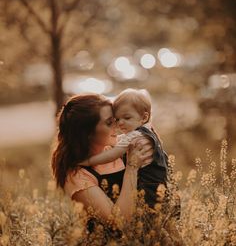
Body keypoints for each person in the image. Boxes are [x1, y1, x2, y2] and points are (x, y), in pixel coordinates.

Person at [51, 93, 154, 226]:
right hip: (112, 245)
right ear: (87, 133)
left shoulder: (119, 150)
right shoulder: (78, 174)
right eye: (110, 122)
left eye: (117, 118)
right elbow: (118, 223)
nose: (119, 125)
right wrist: (132, 168)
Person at [79, 89, 168, 209]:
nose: (120, 123)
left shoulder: (135, 135)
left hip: (148, 187)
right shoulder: (147, 131)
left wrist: (89, 161)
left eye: (126, 117)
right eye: (117, 119)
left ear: (144, 117)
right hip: (160, 185)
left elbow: (113, 154)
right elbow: (119, 140)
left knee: (146, 213)